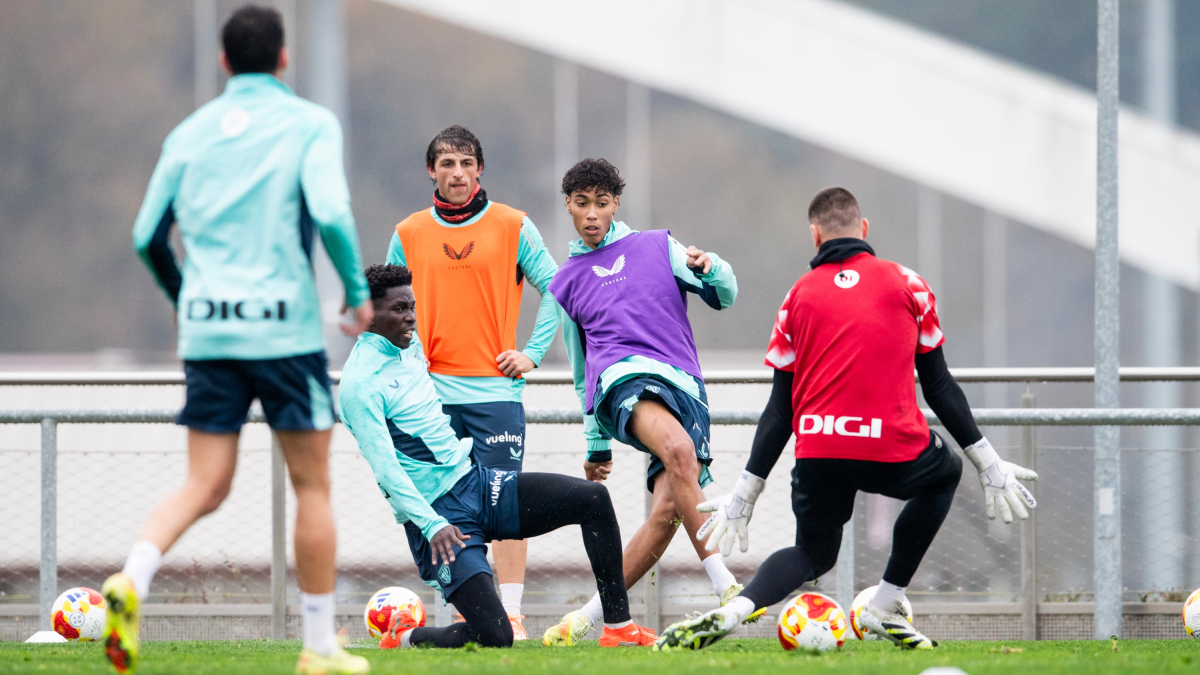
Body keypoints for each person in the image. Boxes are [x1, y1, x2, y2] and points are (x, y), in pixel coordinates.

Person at [654, 187, 1039, 651]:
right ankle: (885, 604)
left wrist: (746, 491)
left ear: (815, 235)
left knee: (813, 553)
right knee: (945, 473)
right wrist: (987, 463)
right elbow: (938, 385)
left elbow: (781, 407)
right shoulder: (908, 284)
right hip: (891, 446)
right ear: (864, 229)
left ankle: (735, 609)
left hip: (819, 449)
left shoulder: (796, 297)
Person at [107, 6, 372, 674]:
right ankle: (319, 646)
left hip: (209, 330)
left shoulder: (188, 133)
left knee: (203, 483)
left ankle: (131, 578)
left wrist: (185, 298)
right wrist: (354, 290)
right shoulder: (310, 123)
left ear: (224, 62)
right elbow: (331, 211)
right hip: (283, 329)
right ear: (283, 58)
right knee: (312, 486)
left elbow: (146, 235)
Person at [339, 264, 654, 649]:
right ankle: (404, 637)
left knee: (593, 499)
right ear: (369, 315)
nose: (411, 318)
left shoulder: (409, 345)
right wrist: (432, 525)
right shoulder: (359, 384)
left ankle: (618, 626)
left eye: (412, 307)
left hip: (476, 483)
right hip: (440, 518)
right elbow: (386, 470)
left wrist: (528, 354)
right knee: (496, 636)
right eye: (400, 309)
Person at [541, 159, 746, 646]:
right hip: (623, 382)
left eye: (601, 203)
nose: (592, 214)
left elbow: (725, 295)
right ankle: (727, 587)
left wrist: (714, 267)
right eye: (582, 203)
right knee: (678, 450)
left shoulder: (658, 246)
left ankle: (588, 619)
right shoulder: (565, 282)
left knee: (668, 510)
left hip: (683, 385)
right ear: (568, 205)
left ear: (616, 204)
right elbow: (582, 372)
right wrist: (596, 444)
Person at [385, 126, 559, 639]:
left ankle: (513, 613)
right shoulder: (408, 232)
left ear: (480, 168)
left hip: (495, 395)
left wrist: (531, 354)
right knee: (444, 504)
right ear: (431, 171)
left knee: (505, 504)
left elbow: (558, 288)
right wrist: (404, 361)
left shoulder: (513, 225)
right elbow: (387, 306)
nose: (457, 173)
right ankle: (471, 612)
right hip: (428, 399)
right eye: (447, 163)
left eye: (466, 163)